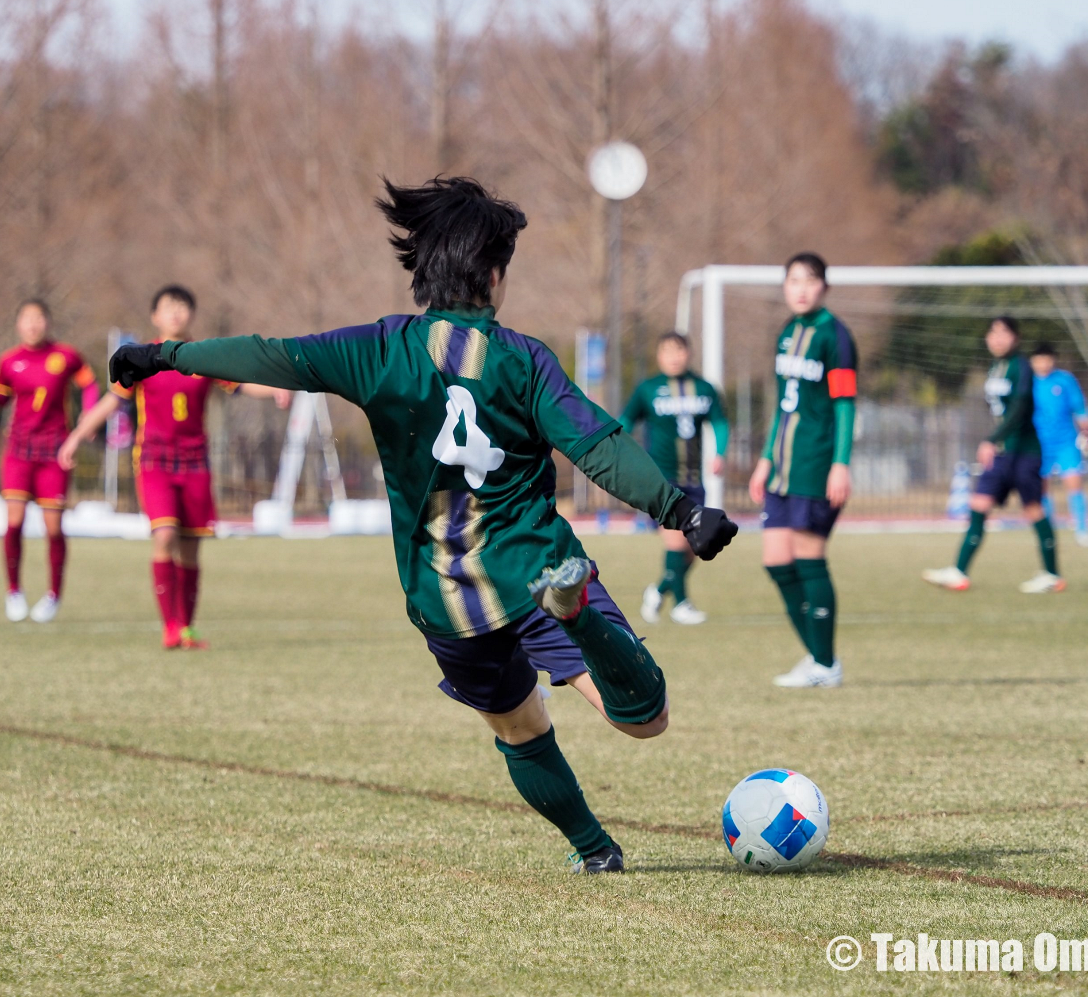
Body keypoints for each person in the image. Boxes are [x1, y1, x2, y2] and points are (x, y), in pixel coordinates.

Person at [106, 177, 738, 872]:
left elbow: (270, 355)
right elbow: (598, 446)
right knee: (643, 718)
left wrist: (163, 356)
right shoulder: (523, 358)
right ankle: (579, 615)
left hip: (443, 596)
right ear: (492, 275)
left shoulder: (379, 349)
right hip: (533, 566)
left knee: (521, 728)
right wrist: (680, 509)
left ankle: (595, 850)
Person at [59, 285, 288, 649]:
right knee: (165, 535)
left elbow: (241, 386)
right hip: (154, 461)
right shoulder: (143, 358)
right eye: (168, 307)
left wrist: (275, 387)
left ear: (192, 314)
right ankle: (169, 627)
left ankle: (187, 628)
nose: (176, 313)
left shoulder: (204, 357)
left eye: (182, 307)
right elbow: (112, 400)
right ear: (155, 316)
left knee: (191, 547)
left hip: (195, 462)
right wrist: (75, 437)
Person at [748, 253, 858, 689]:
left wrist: (840, 464)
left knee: (810, 557)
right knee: (775, 561)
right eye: (794, 280)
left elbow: (845, 404)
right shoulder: (787, 331)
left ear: (824, 287)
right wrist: (765, 459)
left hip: (815, 464)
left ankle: (826, 664)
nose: (801, 289)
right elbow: (782, 405)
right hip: (782, 468)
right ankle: (817, 657)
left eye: (810, 281)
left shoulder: (836, 336)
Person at [0, 299, 99, 623]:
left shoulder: (66, 355)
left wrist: (89, 414)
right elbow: (2, 399)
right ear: (18, 324)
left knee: (53, 527)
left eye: (38, 318)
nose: (33, 324)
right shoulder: (8, 360)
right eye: (27, 318)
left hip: (54, 450)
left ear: (48, 322)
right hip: (19, 449)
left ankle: (54, 594)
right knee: (14, 521)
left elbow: (89, 383)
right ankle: (13, 591)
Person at [923, 316, 1063, 594]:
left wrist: (992, 439)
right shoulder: (995, 368)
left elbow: (1020, 408)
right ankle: (959, 572)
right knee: (978, 504)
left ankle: (1052, 575)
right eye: (993, 332)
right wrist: (996, 441)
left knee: (1033, 509)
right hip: (1003, 452)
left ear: (1016, 338)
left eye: (1004, 333)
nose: (997, 338)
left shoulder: (1021, 366)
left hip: (1024, 451)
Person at [619, 333, 729, 625]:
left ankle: (658, 591)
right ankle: (681, 604)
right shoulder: (648, 389)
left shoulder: (704, 388)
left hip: (693, 479)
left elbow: (720, 422)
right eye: (667, 351)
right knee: (677, 542)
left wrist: (720, 452)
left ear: (688, 353)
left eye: (679, 351)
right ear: (659, 356)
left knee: (696, 546)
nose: (674, 357)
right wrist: (615, 452)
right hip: (661, 480)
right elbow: (625, 422)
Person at [1030, 342, 1088, 547]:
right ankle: (1049, 533)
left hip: (1066, 441)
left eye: (1047, 359)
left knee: (1074, 482)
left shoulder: (1065, 380)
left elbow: (1080, 408)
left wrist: (1087, 431)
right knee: (1041, 488)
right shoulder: (1027, 382)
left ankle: (1082, 530)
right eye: (1039, 359)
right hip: (1038, 443)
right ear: (1033, 361)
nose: (1044, 363)